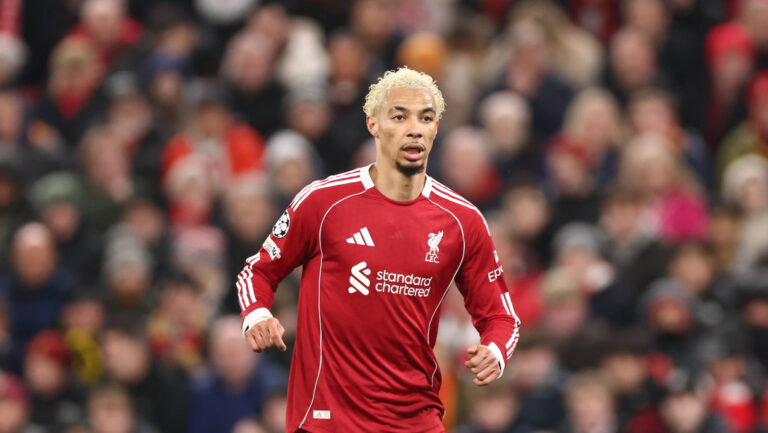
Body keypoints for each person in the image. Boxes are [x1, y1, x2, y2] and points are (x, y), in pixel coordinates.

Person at [235, 67, 520, 432]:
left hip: (415, 420)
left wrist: (495, 351)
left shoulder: (463, 221)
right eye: (399, 116)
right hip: (327, 420)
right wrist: (256, 314)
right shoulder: (323, 202)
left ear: (435, 129)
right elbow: (258, 271)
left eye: (426, 117)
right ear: (373, 124)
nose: (414, 127)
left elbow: (501, 316)